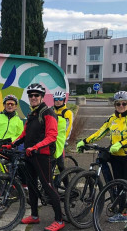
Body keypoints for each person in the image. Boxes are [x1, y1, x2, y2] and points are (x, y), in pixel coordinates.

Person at [7, 83, 64, 231]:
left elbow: (52, 136)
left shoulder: (48, 113)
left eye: (36, 95)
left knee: (48, 186)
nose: (33, 97)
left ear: (42, 97)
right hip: (30, 155)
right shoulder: (32, 114)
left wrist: (36, 147)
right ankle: (34, 216)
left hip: (43, 155)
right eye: (31, 95)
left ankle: (59, 220)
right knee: (31, 185)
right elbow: (24, 134)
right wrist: (11, 144)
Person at [77, 91, 127, 221]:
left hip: (125, 155)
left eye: (124, 103)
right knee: (103, 159)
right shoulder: (112, 119)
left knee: (123, 185)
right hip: (115, 154)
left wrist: (121, 144)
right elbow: (100, 132)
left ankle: (123, 213)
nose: (121, 106)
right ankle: (112, 191)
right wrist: (85, 141)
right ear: (115, 105)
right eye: (118, 104)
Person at [52, 90, 73, 173]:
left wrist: (63, 140)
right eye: (56, 99)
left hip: (60, 141)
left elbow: (68, 128)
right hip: (51, 140)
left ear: (64, 100)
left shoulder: (67, 112)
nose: (58, 101)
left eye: (60, 99)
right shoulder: (51, 111)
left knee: (60, 165)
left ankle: (65, 180)